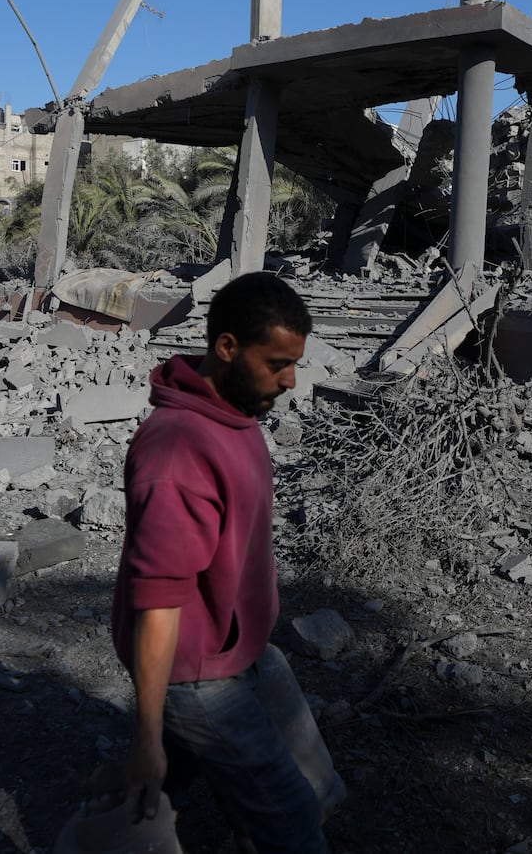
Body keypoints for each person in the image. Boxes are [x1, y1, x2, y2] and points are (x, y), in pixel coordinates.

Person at [110, 271, 342, 852]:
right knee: (291, 821)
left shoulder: (236, 413)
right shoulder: (178, 451)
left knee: (313, 786)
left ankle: (121, 806)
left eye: (296, 363)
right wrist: (146, 734)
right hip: (197, 671)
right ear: (227, 347)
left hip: (238, 649)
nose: (291, 381)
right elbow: (160, 601)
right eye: (277, 364)